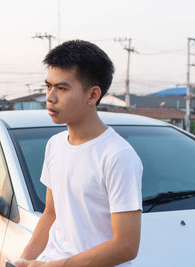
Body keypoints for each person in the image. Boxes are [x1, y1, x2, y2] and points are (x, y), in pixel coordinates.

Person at [15, 40, 143, 267]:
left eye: (62, 88)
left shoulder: (118, 156)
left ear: (93, 95)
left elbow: (126, 245)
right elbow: (51, 214)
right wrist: (24, 259)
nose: (50, 97)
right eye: (48, 86)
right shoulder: (55, 144)